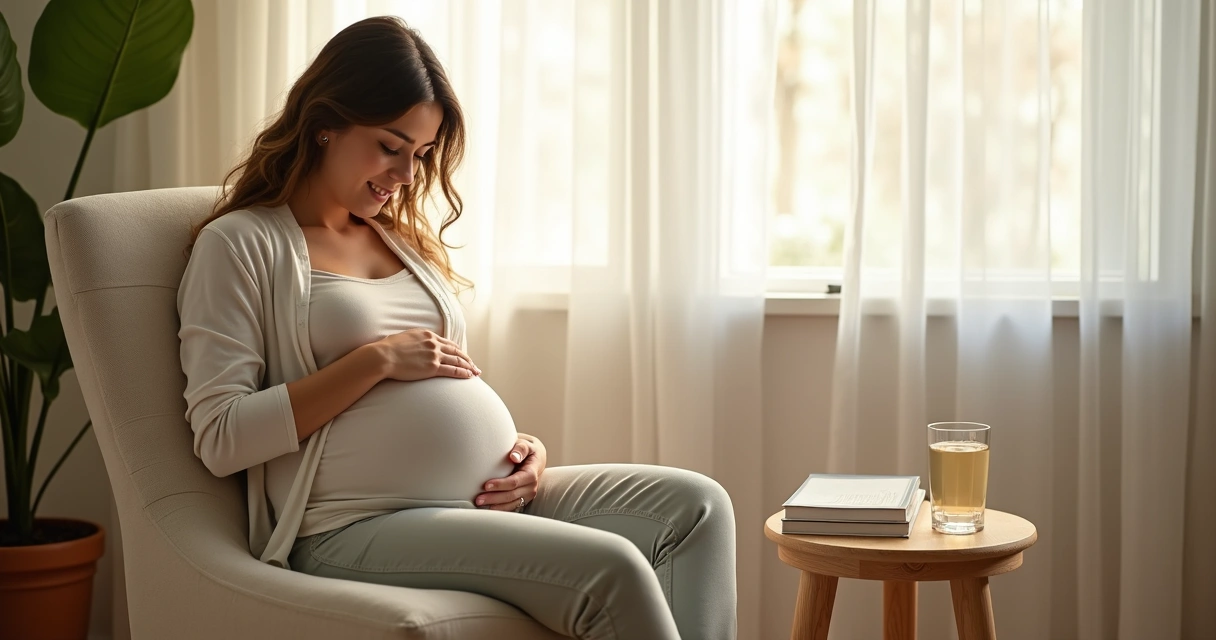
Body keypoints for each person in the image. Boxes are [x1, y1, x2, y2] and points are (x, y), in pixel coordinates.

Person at [176, 16, 736, 640]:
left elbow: (447, 387)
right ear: (324, 123)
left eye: (419, 153)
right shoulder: (242, 245)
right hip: (352, 525)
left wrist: (523, 451)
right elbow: (221, 437)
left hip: (480, 499)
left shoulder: (402, 244)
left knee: (699, 507)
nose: (408, 174)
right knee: (612, 567)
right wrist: (375, 361)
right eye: (391, 146)